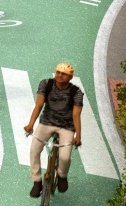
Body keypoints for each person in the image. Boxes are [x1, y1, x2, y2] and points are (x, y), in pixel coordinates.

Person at [24, 63, 84, 198]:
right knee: (34, 150)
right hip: (46, 122)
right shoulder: (46, 84)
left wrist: (78, 136)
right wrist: (30, 124)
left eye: (64, 74)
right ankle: (37, 181)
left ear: (70, 77)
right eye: (58, 72)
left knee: (64, 157)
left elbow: (76, 114)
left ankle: (62, 175)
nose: (59, 75)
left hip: (66, 126)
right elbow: (39, 105)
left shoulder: (76, 92)